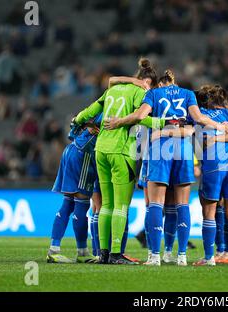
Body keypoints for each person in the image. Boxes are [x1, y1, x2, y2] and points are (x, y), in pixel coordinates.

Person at [106, 70, 228, 266]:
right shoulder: (188, 94)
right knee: (181, 204)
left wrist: (118, 121)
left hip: (159, 148)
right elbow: (198, 119)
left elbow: (140, 116)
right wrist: (219, 125)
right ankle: (181, 255)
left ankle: (154, 256)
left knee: (155, 204)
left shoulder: (154, 94)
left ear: (161, 83)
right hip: (183, 149)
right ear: (174, 82)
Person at [73, 58, 162, 265]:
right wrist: (166, 122)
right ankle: (115, 254)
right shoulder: (142, 93)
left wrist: (78, 120)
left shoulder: (112, 90)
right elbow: (141, 118)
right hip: (121, 151)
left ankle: (103, 254)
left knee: (106, 206)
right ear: (149, 83)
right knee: (121, 207)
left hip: (101, 150)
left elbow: (90, 111)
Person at [192, 86, 228, 266]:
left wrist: (199, 161)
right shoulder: (226, 114)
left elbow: (200, 144)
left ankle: (209, 258)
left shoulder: (198, 115)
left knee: (209, 212)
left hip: (214, 165)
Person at [47, 115, 102, 264]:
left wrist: (84, 127)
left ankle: (54, 249)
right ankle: (82, 251)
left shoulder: (94, 109)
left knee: (68, 203)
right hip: (83, 155)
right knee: (81, 205)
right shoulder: (110, 108)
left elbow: (73, 124)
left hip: (71, 150)